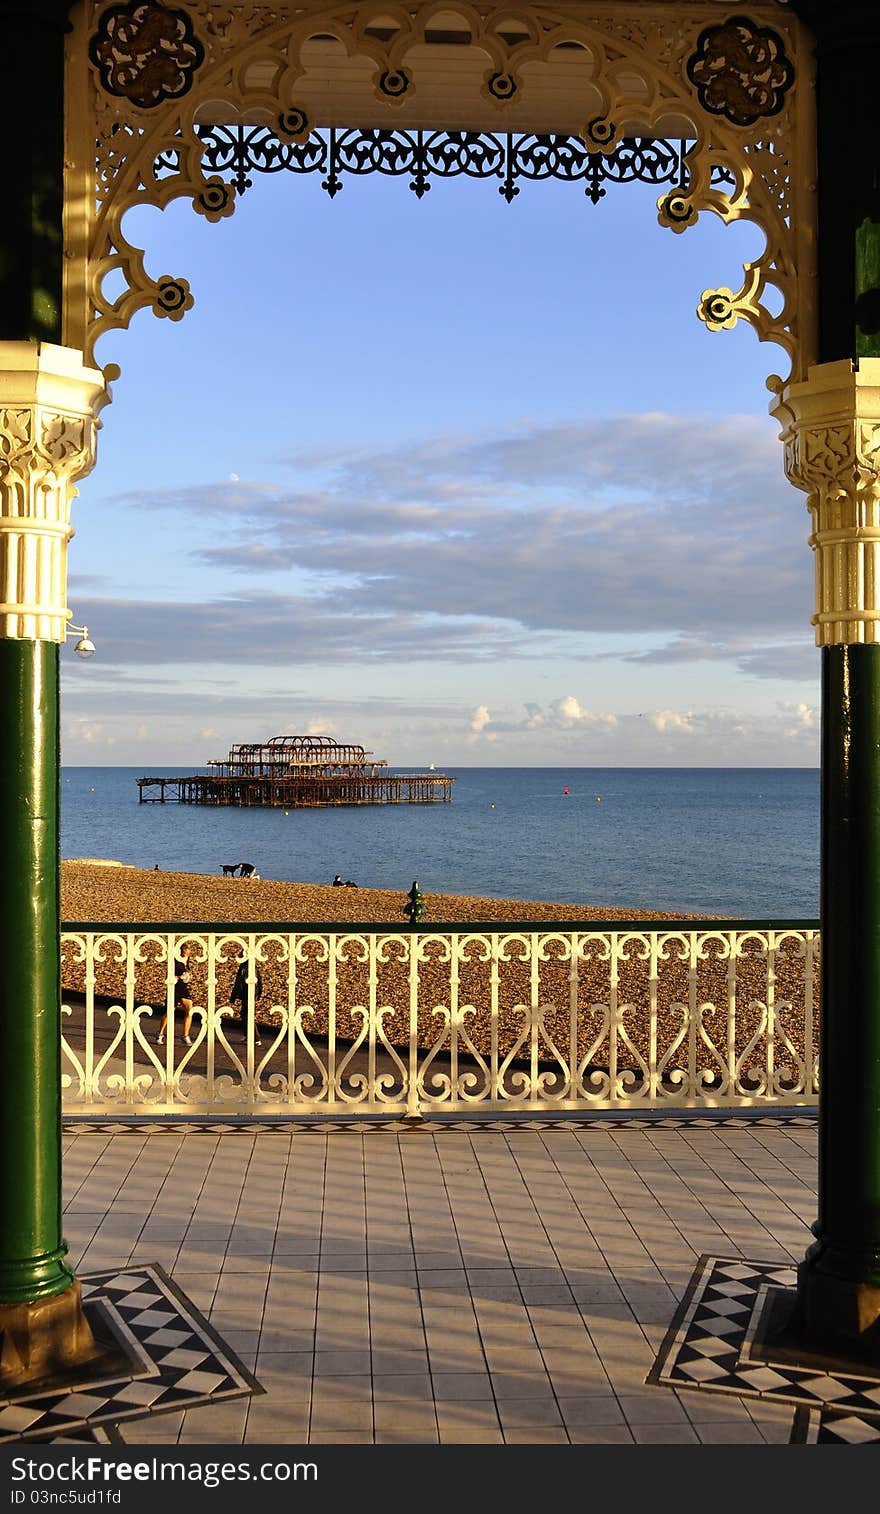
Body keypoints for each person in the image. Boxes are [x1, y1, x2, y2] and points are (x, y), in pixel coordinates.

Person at [157, 943, 195, 1045]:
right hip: (174, 988)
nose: (189, 952)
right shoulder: (174, 960)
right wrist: (178, 977)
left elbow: (187, 972)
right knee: (169, 1012)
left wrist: (187, 976)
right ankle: (160, 1034)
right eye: (187, 950)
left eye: (189, 950)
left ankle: (185, 1035)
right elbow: (168, 976)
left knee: (190, 1010)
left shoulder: (187, 959)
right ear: (182, 951)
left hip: (183, 989)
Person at [229, 956, 263, 1045]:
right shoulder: (254, 966)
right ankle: (248, 1035)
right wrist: (259, 994)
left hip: (247, 993)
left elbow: (239, 983)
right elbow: (259, 981)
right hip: (253, 993)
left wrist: (233, 996)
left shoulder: (244, 967)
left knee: (247, 1015)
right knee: (245, 1014)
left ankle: (256, 1038)